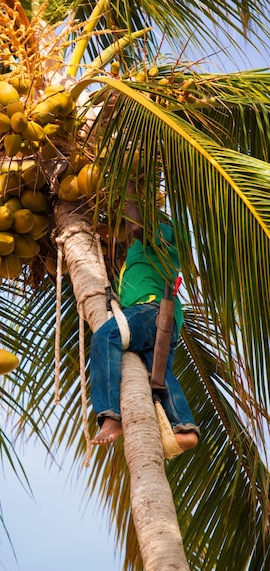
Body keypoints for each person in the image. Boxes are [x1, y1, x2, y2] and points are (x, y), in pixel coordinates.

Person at [90, 181, 200, 449]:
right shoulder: (139, 253)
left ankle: (110, 415)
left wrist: (127, 182)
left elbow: (137, 226)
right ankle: (184, 427)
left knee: (106, 337)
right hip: (158, 321)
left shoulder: (165, 232)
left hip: (152, 310)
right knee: (158, 374)